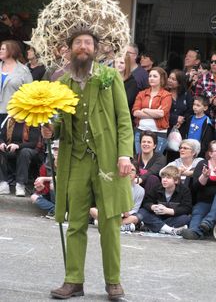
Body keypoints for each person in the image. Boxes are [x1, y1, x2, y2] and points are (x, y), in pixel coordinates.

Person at [41, 31, 134, 300]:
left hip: (107, 158)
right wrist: (50, 129)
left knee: (109, 222)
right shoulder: (62, 83)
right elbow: (58, 122)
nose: (83, 47)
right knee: (76, 222)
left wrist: (125, 154)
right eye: (78, 43)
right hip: (76, 159)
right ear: (69, 50)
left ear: (96, 49)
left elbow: (124, 120)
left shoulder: (110, 78)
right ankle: (73, 281)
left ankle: (113, 282)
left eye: (88, 43)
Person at [182, 140, 216, 240]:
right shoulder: (202, 164)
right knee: (198, 211)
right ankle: (195, 232)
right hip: (205, 201)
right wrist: (204, 176)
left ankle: (208, 222)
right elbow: (196, 187)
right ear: (211, 153)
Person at [90, 162, 145, 233]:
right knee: (92, 209)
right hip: (111, 212)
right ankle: (120, 226)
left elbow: (135, 209)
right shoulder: (113, 184)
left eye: (132, 170)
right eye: (126, 169)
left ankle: (107, 225)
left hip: (127, 215)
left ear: (136, 174)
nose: (129, 172)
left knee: (138, 217)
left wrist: (127, 212)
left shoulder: (140, 190)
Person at [137, 166, 192, 235]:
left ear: (176, 180)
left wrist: (168, 211)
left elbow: (187, 208)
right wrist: (153, 207)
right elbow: (146, 202)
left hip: (172, 218)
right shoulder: (157, 188)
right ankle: (170, 230)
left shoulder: (184, 190)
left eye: (168, 178)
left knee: (186, 218)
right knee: (142, 212)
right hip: (157, 216)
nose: (164, 180)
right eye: (163, 177)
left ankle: (157, 228)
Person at [0, 116, 44, 197]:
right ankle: (3, 183)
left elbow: (33, 143)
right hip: (12, 149)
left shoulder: (32, 121)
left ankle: (20, 184)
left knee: (24, 152)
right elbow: (1, 137)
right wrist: (1, 143)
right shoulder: (10, 121)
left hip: (30, 149)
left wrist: (18, 146)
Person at [132, 67, 172, 154]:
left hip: (159, 132)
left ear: (161, 79)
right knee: (139, 160)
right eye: (150, 76)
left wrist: (145, 110)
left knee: (155, 160)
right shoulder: (142, 93)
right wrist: (154, 112)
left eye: (155, 76)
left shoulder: (166, 95)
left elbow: (161, 113)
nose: (151, 78)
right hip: (141, 131)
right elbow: (135, 112)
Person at [0, 40, 32, 126]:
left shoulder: (23, 70)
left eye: (3, 49)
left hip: (13, 114)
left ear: (12, 51)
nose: (0, 51)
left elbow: (29, 93)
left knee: (6, 139)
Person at [30, 140, 59, 217]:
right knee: (34, 197)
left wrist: (45, 179)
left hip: (67, 195)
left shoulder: (70, 164)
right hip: (52, 196)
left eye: (59, 149)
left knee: (53, 183)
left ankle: (59, 211)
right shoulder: (45, 166)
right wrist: (40, 189)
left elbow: (65, 178)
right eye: (55, 149)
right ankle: (56, 210)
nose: (56, 152)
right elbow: (44, 189)